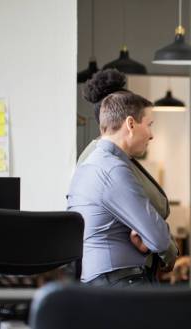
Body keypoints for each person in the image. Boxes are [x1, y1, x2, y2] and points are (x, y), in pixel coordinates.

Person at [67, 74, 175, 287]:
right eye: (149, 124)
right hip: (120, 282)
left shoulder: (97, 160)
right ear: (130, 123)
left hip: (108, 279)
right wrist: (155, 239)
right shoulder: (113, 168)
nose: (152, 135)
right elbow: (159, 237)